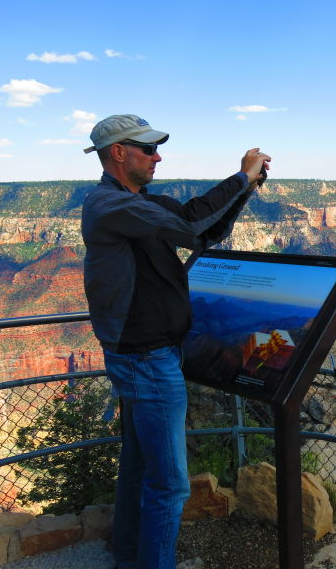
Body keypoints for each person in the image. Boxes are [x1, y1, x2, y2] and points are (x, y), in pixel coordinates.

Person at [81, 114, 270, 569]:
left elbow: (204, 232)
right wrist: (241, 175)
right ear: (118, 153)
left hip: (147, 354)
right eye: (148, 150)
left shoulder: (140, 203)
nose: (157, 157)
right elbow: (189, 223)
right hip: (145, 360)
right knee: (170, 485)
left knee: (139, 468)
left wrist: (244, 189)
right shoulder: (110, 205)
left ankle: (128, 556)